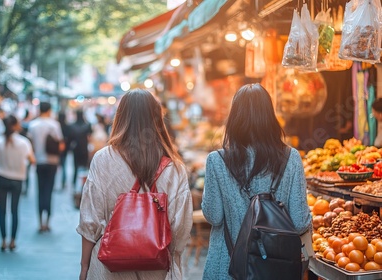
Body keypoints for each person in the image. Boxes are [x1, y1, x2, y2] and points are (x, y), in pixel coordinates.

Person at [76, 89, 193, 280]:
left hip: (108, 268)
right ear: (157, 120)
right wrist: (168, 253)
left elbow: (90, 219)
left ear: (120, 117)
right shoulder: (175, 168)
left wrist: (84, 266)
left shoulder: (103, 159)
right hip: (157, 270)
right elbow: (181, 226)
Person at [201, 84, 312, 279]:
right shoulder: (291, 158)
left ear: (234, 118)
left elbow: (214, 216)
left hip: (226, 267)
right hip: (274, 269)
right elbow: (300, 221)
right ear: (270, 117)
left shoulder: (216, 161)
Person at [0, 115, 35, 252]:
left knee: (2, 211)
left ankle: (3, 240)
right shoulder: (24, 142)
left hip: (2, 178)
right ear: (16, 125)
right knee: (14, 210)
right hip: (18, 179)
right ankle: (13, 240)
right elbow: (32, 160)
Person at [27, 102, 64, 232]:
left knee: (40, 191)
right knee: (49, 191)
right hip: (52, 161)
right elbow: (60, 145)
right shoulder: (54, 125)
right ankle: (47, 222)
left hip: (39, 161)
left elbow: (30, 144)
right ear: (49, 110)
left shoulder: (33, 125)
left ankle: (39, 222)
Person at [68, 110, 92, 188]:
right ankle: (83, 185)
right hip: (84, 149)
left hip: (76, 149)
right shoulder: (87, 125)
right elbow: (90, 137)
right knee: (84, 168)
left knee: (75, 167)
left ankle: (74, 183)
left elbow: (70, 139)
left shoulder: (72, 126)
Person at [58, 110, 71, 190]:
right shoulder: (67, 126)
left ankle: (59, 183)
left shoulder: (57, 125)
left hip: (56, 150)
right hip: (65, 149)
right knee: (64, 166)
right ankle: (63, 181)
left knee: (59, 167)